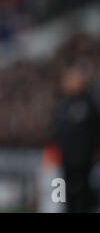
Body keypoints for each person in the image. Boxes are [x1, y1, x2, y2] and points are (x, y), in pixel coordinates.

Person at [53, 66, 100, 212]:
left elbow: (94, 130)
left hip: (84, 161)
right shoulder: (63, 105)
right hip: (65, 160)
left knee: (83, 194)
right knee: (65, 195)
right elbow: (57, 131)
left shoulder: (88, 104)